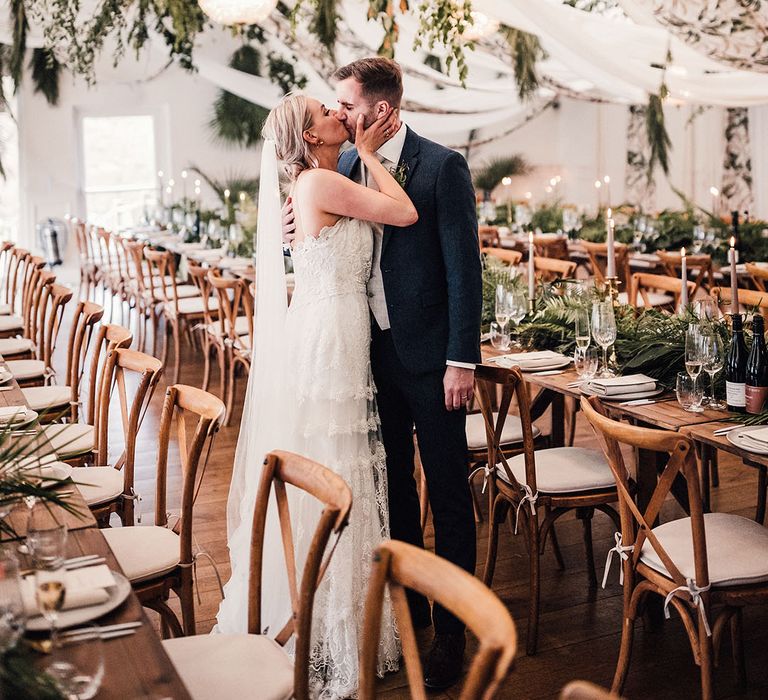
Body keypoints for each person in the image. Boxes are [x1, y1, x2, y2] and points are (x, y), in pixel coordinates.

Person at [284, 57, 482, 689]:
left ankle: (453, 635)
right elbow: (318, 228)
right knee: (393, 488)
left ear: (382, 108)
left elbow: (464, 270)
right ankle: (411, 611)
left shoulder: (441, 166)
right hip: (368, 355)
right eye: (334, 108)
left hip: (432, 359)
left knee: (448, 492)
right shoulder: (340, 165)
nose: (341, 114)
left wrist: (461, 360)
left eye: (347, 104)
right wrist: (293, 228)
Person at [216, 94, 416, 699]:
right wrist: (372, 153)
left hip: (336, 324)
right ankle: (327, 627)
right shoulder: (322, 181)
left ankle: (336, 617)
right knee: (338, 466)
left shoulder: (314, 184)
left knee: (338, 461)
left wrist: (361, 156)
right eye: (326, 112)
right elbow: (403, 213)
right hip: (332, 333)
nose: (338, 113)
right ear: (311, 134)